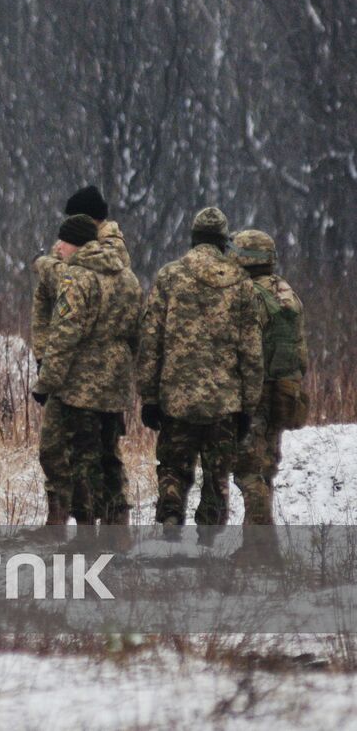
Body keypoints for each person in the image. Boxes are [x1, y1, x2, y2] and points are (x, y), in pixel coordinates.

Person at [137, 208, 264, 534]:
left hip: (176, 398)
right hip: (224, 402)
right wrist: (249, 405)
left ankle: (169, 515)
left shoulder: (169, 276)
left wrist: (149, 396)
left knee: (173, 467)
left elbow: (151, 340)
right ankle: (208, 535)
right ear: (224, 242)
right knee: (216, 473)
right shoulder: (241, 283)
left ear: (193, 238)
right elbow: (251, 352)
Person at [32, 186, 136, 524]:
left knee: (83, 456)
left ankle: (88, 526)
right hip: (107, 378)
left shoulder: (97, 259)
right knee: (100, 455)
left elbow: (68, 328)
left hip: (81, 379)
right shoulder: (125, 275)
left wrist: (47, 377)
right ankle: (107, 526)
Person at [230, 230, 309, 529]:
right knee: (265, 469)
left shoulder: (248, 295)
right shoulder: (288, 293)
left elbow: (242, 347)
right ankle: (259, 541)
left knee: (248, 471)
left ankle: (258, 548)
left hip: (256, 392)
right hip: (285, 391)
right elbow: (299, 349)